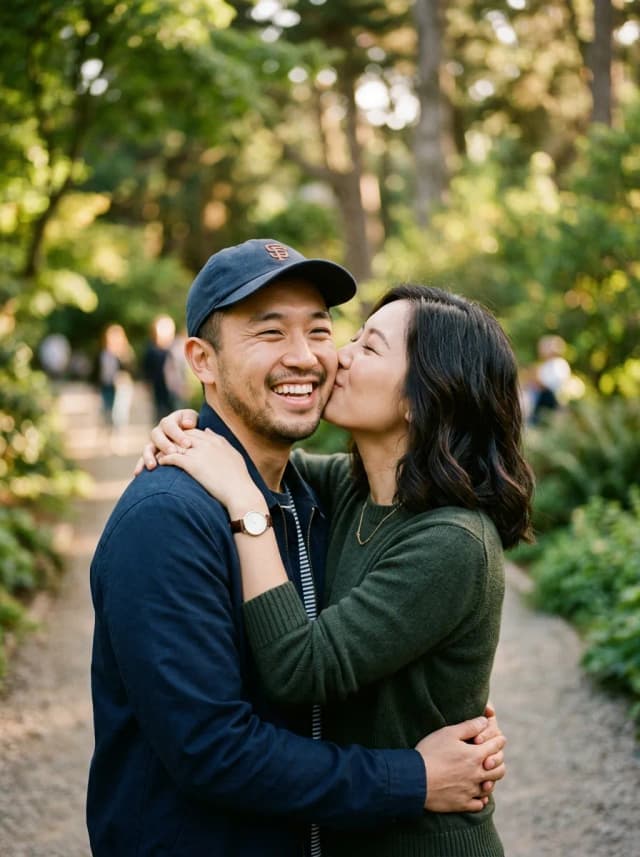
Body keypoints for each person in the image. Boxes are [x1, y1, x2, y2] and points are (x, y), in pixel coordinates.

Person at [89, 239, 507, 857]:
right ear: (202, 361)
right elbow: (213, 749)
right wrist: (411, 777)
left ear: (429, 393)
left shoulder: (309, 497)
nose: (311, 357)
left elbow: (324, 668)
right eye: (269, 333)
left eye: (320, 330)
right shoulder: (169, 521)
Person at [97, 323, 135, 440]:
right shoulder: (103, 353)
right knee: (106, 410)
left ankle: (119, 435)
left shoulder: (125, 353)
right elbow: (98, 371)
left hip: (121, 387)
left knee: (119, 412)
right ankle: (109, 434)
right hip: (106, 385)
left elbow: (131, 370)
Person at [142, 314, 178, 421]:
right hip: (159, 387)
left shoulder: (175, 348)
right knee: (161, 413)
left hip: (174, 389)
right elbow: (147, 369)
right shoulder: (151, 350)